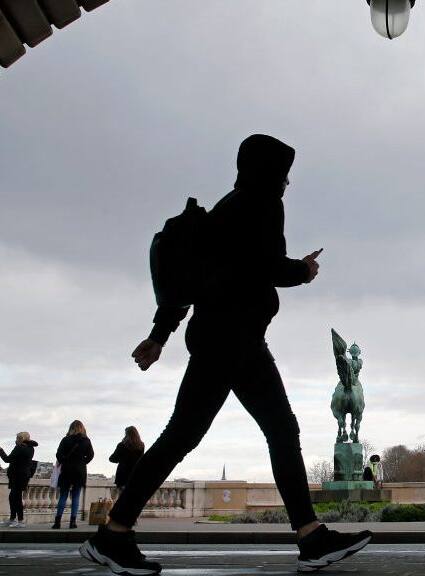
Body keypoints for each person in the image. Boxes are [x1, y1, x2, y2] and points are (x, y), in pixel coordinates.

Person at [81, 135, 372, 575]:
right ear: (270, 171)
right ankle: (310, 537)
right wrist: (304, 271)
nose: (289, 182)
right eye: (284, 172)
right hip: (235, 339)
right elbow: (267, 268)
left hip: (222, 336)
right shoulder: (262, 203)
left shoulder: (226, 207)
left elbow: (197, 281)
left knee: (188, 435)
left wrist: (159, 335)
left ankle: (114, 533)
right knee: (271, 429)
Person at [54, 420, 94, 529]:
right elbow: (91, 455)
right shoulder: (86, 441)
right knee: (76, 497)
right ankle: (73, 522)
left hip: (67, 470)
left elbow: (58, 454)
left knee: (63, 496)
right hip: (79, 471)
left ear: (71, 428)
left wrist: (64, 461)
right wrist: (82, 462)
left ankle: (57, 522)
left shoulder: (65, 440)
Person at [0, 432, 38, 528]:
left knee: (15, 498)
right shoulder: (30, 448)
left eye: (17, 438)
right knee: (14, 497)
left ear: (21, 439)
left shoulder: (19, 448)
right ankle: (13, 519)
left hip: (17, 476)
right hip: (23, 476)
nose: (15, 440)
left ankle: (19, 520)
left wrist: (0, 450)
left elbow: (7, 459)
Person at [109, 427, 145, 491]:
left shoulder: (122, 445)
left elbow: (112, 459)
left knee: (123, 498)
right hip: (135, 475)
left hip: (123, 476)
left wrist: (122, 459)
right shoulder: (141, 446)